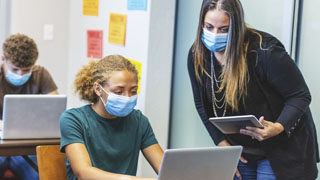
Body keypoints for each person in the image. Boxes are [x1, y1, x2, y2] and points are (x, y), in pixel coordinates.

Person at [187, 0, 319, 179]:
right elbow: (201, 104)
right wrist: (221, 142)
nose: (214, 34)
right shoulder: (198, 55)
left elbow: (299, 95)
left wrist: (278, 127)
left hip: (283, 147)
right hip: (241, 148)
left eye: (224, 29)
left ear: (237, 25)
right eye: (209, 27)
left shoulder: (265, 50)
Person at [60, 55, 163, 180]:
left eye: (133, 91)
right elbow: (83, 173)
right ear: (98, 89)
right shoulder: (73, 119)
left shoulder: (139, 121)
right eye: (118, 92)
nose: (127, 97)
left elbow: (164, 167)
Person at [0, 34, 58, 179]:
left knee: (43, 175)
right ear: (3, 60)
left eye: (26, 70)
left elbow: (55, 110)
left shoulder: (41, 74)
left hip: (28, 148)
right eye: (15, 70)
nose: (20, 74)